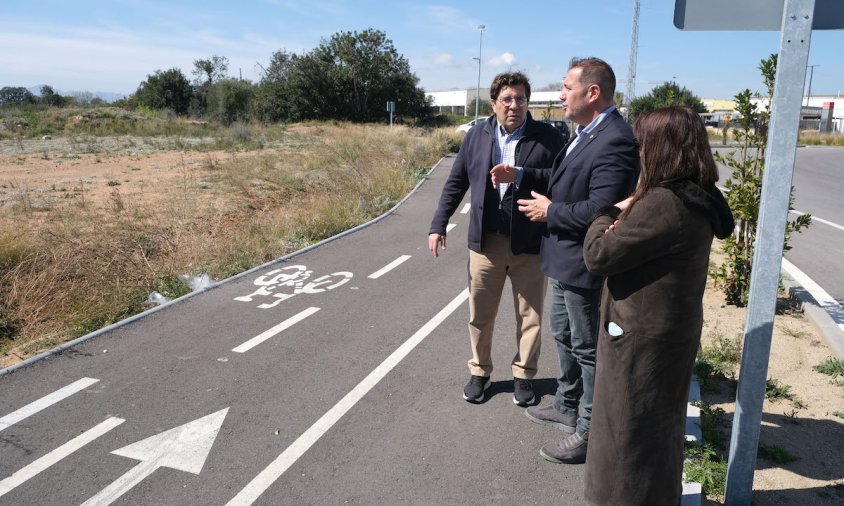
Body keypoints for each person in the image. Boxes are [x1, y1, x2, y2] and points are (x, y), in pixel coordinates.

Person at [580, 106, 733, 505]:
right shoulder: (700, 195)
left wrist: (608, 212)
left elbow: (597, 255)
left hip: (639, 342)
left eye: (642, 143)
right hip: (671, 334)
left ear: (662, 148)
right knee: (658, 434)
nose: (639, 152)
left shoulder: (664, 202)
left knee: (626, 441)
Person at [490, 57, 639, 463]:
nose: (560, 95)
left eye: (566, 87)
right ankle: (568, 404)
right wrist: (518, 174)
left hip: (583, 262)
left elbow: (601, 208)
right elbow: (561, 179)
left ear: (592, 93)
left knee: (588, 347)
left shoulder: (616, 139)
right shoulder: (586, 132)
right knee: (563, 334)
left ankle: (590, 431)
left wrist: (549, 212)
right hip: (562, 258)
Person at [428, 72, 565, 406]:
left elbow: (560, 178)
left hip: (530, 243)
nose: (514, 105)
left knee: (530, 316)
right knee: (480, 313)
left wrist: (521, 175)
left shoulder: (547, 137)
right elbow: (456, 182)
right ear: (494, 103)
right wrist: (438, 224)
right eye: (507, 99)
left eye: (520, 99)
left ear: (527, 102)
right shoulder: (477, 135)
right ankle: (480, 371)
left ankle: (524, 375)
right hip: (486, 243)